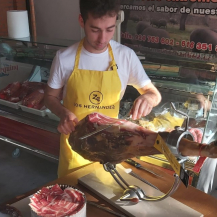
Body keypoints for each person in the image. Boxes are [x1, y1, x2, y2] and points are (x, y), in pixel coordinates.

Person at [45, 0, 162, 177]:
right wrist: (63, 113)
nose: (103, 39)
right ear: (81, 21)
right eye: (95, 30)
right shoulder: (64, 58)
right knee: (72, 196)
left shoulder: (125, 56)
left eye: (109, 29)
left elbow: (154, 93)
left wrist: (148, 99)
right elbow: (49, 97)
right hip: (74, 146)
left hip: (112, 148)